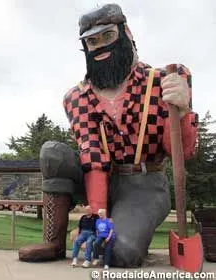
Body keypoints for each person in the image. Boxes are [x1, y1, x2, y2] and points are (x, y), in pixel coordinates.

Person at [18, 3, 197, 267]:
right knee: (53, 153)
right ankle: (54, 242)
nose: (100, 46)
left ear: (126, 32)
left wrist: (182, 112)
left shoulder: (166, 80)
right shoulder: (77, 97)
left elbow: (182, 152)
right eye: (92, 41)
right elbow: (93, 156)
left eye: (107, 36)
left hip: (144, 184)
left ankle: (131, 235)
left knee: (119, 252)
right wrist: (97, 216)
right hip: (101, 178)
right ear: (85, 48)